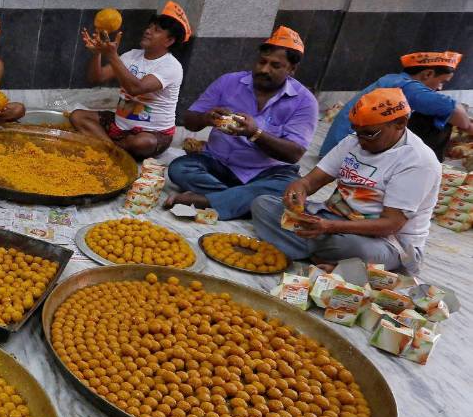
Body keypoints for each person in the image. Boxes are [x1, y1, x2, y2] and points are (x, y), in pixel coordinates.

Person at [252, 87, 440, 274]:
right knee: (263, 205)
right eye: (357, 132)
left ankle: (317, 252)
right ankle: (331, 260)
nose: (361, 140)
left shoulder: (418, 162)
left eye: (369, 133)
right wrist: (297, 191)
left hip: (387, 243)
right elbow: (310, 182)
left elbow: (390, 224)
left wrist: (329, 227)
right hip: (333, 220)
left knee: (344, 245)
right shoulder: (355, 141)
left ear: (400, 123)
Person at [163, 26, 318, 220]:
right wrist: (206, 118)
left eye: (275, 66)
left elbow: (294, 154)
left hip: (266, 173)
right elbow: (189, 121)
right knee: (180, 168)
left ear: (292, 69)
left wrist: (256, 134)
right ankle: (241, 201)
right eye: (261, 62)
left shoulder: (305, 101)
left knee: (286, 186)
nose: (264, 69)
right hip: (217, 164)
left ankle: (207, 201)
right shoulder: (229, 82)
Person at [69, 1, 192, 159]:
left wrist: (112, 56)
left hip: (153, 133)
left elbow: (136, 88)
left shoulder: (171, 66)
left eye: (157, 30)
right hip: (119, 126)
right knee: (77, 116)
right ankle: (114, 150)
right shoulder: (132, 55)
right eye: (149, 27)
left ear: (169, 41)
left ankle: (108, 147)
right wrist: (98, 53)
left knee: (142, 143)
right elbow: (96, 78)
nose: (148, 31)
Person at [320, 51, 469, 159]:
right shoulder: (408, 87)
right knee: (439, 118)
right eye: (442, 82)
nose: (440, 88)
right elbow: (457, 114)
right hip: (345, 156)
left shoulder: (393, 79)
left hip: (333, 149)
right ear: (427, 74)